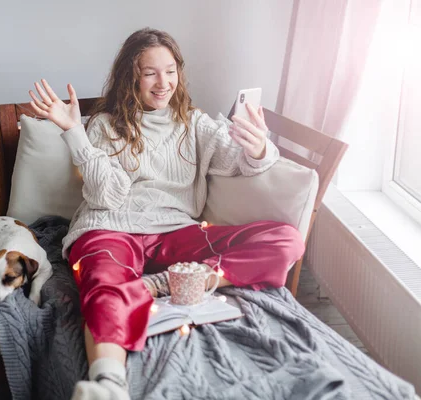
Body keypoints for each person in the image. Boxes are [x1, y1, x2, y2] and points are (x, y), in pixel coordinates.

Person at [29, 27, 305, 400]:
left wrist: (259, 149)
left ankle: (162, 284)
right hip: (110, 227)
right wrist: (75, 133)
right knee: (105, 284)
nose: (164, 83)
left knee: (287, 239)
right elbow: (107, 197)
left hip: (176, 232)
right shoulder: (104, 125)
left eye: (171, 70)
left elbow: (239, 161)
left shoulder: (194, 122)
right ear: (131, 77)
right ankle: (108, 383)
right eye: (150, 73)